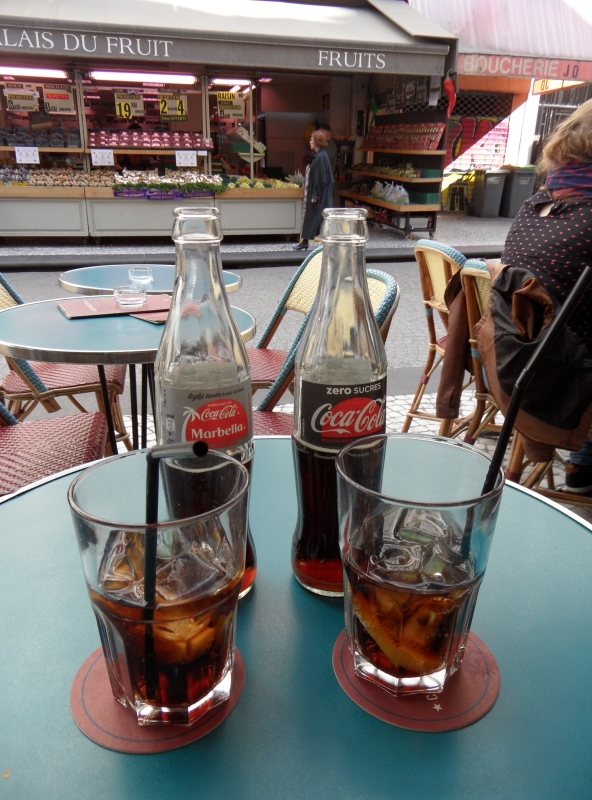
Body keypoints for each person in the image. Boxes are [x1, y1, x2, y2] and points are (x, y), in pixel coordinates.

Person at [501, 98, 592, 492]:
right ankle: (582, 464)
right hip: (561, 378)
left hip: (510, 361)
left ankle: (581, 464)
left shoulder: (535, 204)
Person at [295, 128, 334, 251]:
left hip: (319, 193)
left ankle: (309, 242)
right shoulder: (319, 155)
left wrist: (315, 195)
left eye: (312, 140)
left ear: (317, 142)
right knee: (313, 216)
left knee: (316, 217)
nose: (310, 142)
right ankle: (305, 241)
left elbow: (320, 177)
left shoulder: (320, 157)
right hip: (319, 191)